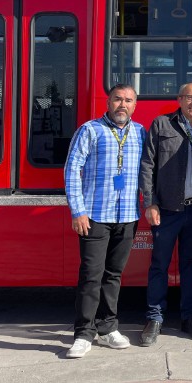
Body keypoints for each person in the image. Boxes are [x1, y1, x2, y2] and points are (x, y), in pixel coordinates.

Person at [64, 83, 146, 359]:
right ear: (108, 102)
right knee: (91, 275)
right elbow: (72, 170)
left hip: (127, 216)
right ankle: (83, 334)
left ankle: (108, 327)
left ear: (135, 105)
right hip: (95, 215)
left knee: (114, 275)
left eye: (128, 101)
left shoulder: (139, 132)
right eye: (118, 100)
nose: (123, 105)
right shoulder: (90, 130)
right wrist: (78, 211)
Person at [138, 82, 192, 347]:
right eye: (189, 97)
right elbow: (147, 165)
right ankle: (154, 318)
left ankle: (189, 318)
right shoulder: (162, 124)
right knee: (159, 264)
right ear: (179, 99)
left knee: (190, 265)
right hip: (167, 209)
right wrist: (150, 203)